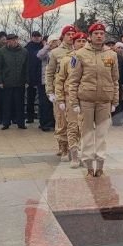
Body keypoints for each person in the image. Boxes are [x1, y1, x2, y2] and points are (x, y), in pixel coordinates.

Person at [67, 22, 119, 177]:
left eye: (101, 33)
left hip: (104, 100)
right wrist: (74, 102)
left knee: (102, 135)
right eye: (95, 33)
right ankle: (89, 167)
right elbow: (73, 80)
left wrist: (115, 101)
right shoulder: (80, 54)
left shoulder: (112, 54)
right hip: (86, 101)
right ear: (90, 36)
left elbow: (115, 80)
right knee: (87, 134)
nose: (99, 36)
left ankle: (100, 166)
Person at [55, 32, 88, 166]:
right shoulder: (67, 60)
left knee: (86, 127)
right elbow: (59, 80)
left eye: (84, 40)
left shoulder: (90, 58)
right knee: (72, 126)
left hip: (87, 97)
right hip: (71, 97)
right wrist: (60, 99)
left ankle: (84, 154)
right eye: (78, 41)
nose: (81, 43)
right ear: (73, 43)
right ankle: (73, 155)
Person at [46, 25, 76, 153]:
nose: (70, 36)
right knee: (61, 119)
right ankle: (62, 145)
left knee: (74, 121)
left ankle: (73, 145)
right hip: (60, 91)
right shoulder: (55, 52)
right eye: (68, 34)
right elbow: (50, 73)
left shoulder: (80, 51)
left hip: (75, 91)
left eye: (72, 34)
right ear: (63, 36)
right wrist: (50, 91)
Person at [0, 33, 28, 130]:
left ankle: (20, 123)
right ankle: (6, 123)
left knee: (20, 103)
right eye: (11, 40)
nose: (13, 42)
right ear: (7, 41)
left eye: (15, 40)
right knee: (6, 103)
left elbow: (26, 68)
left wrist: (26, 80)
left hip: (20, 81)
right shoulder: (2, 51)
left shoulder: (24, 51)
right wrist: (0, 81)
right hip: (7, 81)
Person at [24, 31, 44, 124]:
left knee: (42, 99)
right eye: (34, 36)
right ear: (31, 37)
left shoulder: (44, 46)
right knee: (30, 99)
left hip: (42, 76)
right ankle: (30, 117)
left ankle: (42, 118)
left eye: (38, 36)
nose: (36, 38)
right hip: (31, 76)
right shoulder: (27, 48)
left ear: (41, 37)